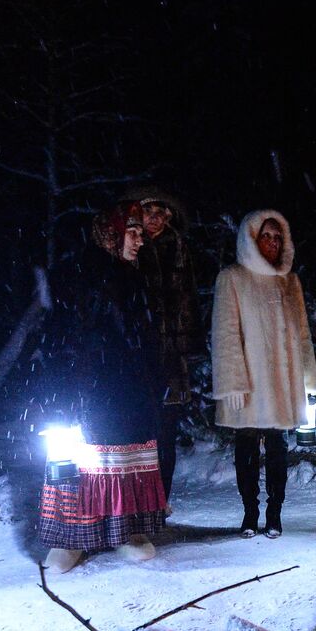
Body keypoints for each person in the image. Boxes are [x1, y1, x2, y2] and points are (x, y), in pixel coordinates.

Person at [39, 203, 167, 571]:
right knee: (82, 459)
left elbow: (142, 336)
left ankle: (126, 531)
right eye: (133, 232)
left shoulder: (134, 277)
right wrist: (66, 388)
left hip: (126, 387)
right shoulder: (78, 273)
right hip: (87, 385)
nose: (140, 240)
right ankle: (72, 538)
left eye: (141, 233)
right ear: (111, 233)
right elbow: (63, 335)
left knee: (123, 458)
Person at [210, 209, 316, 538]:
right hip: (249, 383)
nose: (272, 242)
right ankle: (249, 513)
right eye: (265, 236)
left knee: (277, 448)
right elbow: (225, 334)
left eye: (277, 237)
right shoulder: (233, 278)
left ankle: (274, 514)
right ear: (251, 239)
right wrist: (232, 381)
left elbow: (301, 334)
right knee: (245, 448)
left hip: (281, 385)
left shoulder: (289, 281)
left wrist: (307, 379)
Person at [130, 186, 202, 499]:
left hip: (171, 357)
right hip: (138, 354)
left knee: (166, 432)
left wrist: (187, 346)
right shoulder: (131, 247)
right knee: (140, 431)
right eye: (149, 212)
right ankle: (139, 502)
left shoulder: (177, 247)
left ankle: (161, 501)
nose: (155, 219)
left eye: (161, 213)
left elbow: (188, 298)